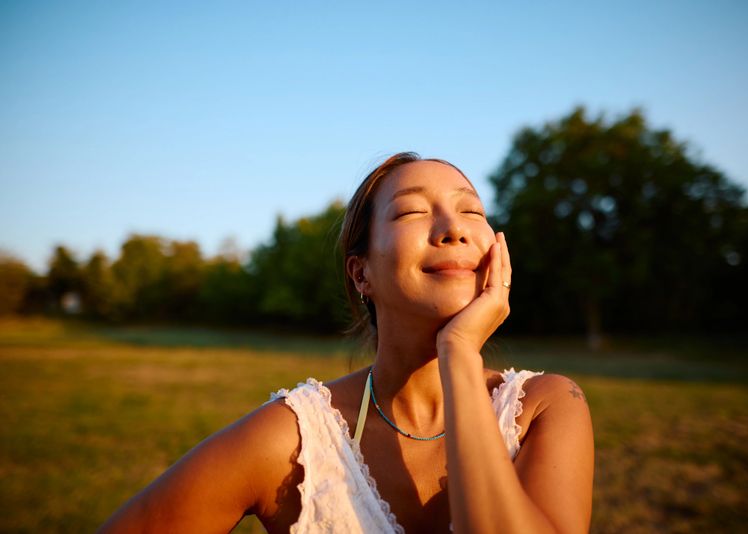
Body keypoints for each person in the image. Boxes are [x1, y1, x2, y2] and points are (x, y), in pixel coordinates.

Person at [99, 152, 594, 533]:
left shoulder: (546, 407)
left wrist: (460, 355)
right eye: (411, 212)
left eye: (472, 210)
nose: (453, 229)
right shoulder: (295, 440)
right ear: (362, 273)